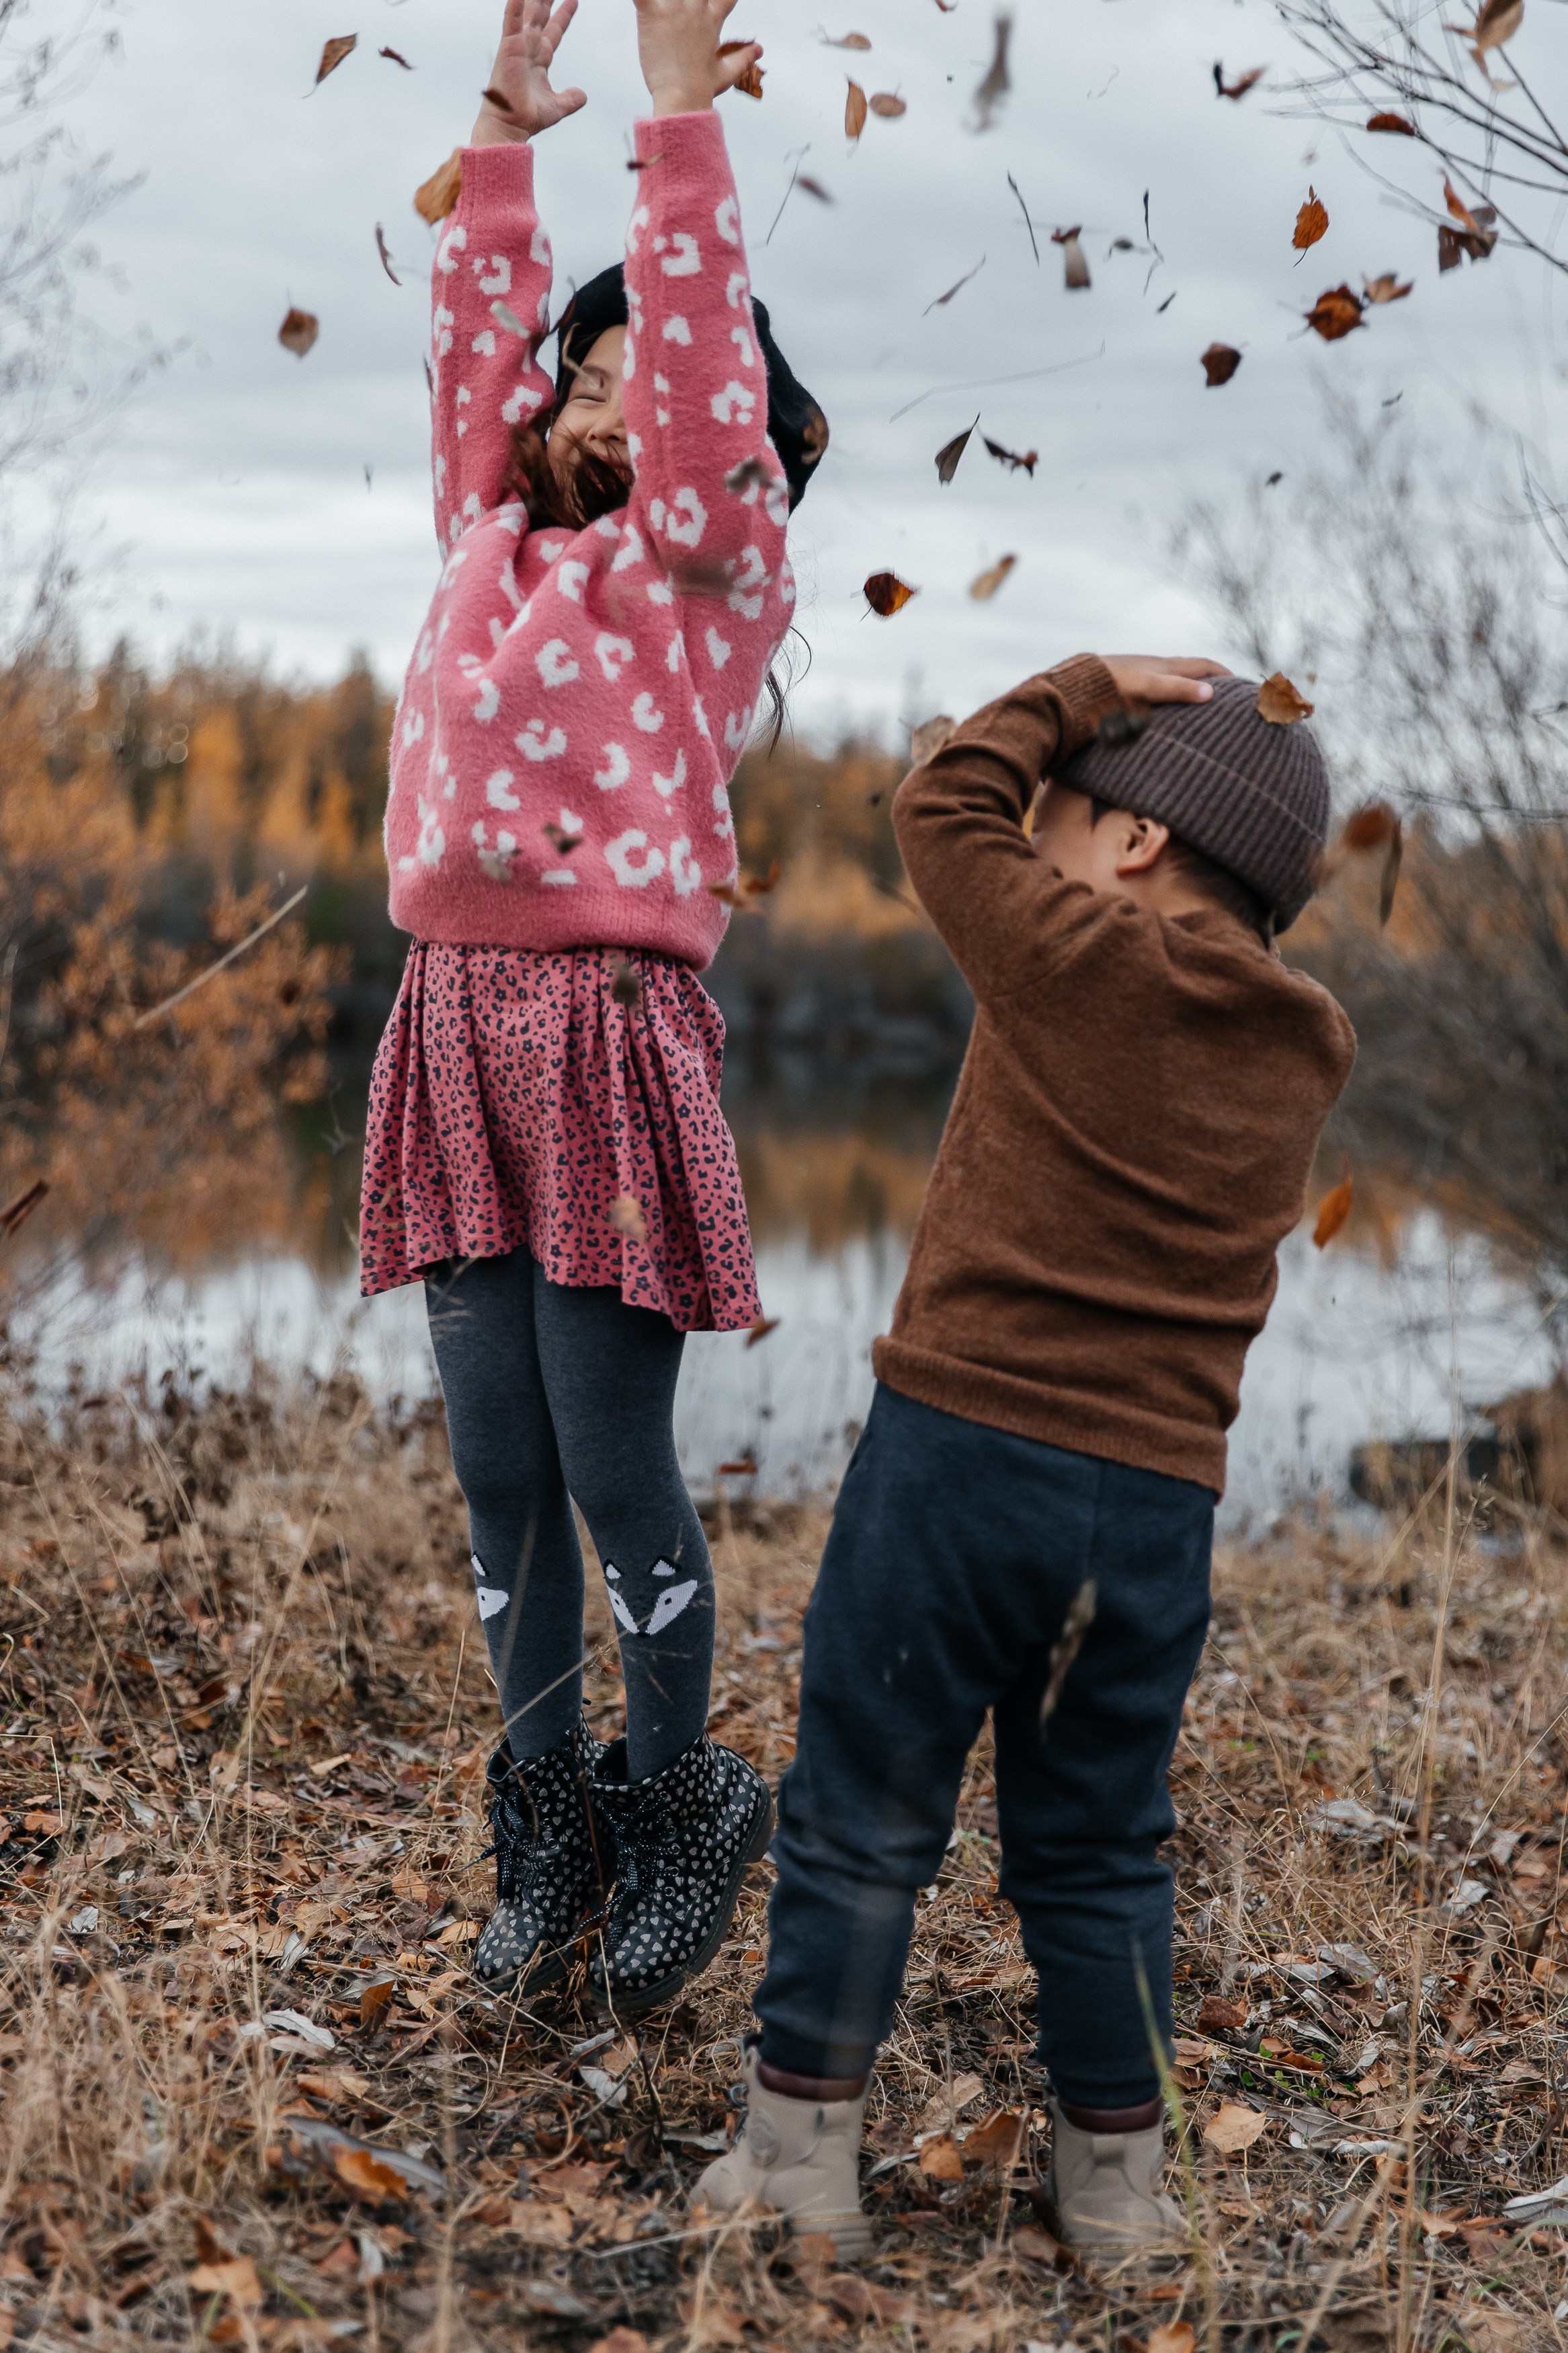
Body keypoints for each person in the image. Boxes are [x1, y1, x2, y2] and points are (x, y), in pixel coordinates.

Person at [697, 655, 1357, 2256]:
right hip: (1150, 1506)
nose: (1043, 842)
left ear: (1135, 844)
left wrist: (1076, 690)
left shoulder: (1076, 956)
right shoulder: (1305, 1045)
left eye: (1070, 819)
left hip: (962, 1457)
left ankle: (797, 2171)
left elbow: (942, 802)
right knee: (1098, 1844)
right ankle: (1118, 2197)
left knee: (866, 1811)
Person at [358, 0, 827, 2018]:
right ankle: (540, 1810)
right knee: (493, 1467)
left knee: (610, 1460)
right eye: (604, 357)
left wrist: (669, 116)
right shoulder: (482, 526)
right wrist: (495, 133)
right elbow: (477, 342)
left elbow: (711, 384)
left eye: (672, 378)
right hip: (452, 1018)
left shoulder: (702, 569)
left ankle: (673, 1801)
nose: (630, 394)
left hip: (605, 1034)